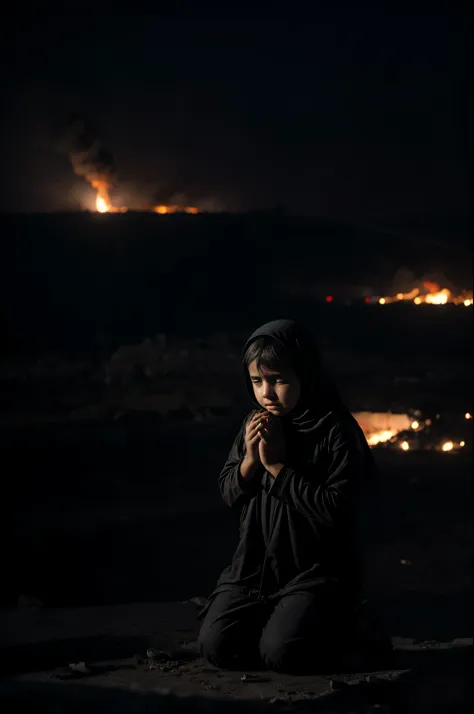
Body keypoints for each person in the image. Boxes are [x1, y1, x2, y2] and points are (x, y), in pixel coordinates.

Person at [197, 319, 390, 674]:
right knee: (216, 647)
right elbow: (228, 492)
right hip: (254, 570)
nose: (267, 393)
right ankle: (280, 621)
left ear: (305, 375)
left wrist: (277, 468)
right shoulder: (254, 424)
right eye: (257, 381)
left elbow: (338, 510)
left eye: (279, 380)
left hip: (314, 571)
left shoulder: (335, 431)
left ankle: (348, 627)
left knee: (282, 654)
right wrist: (251, 461)